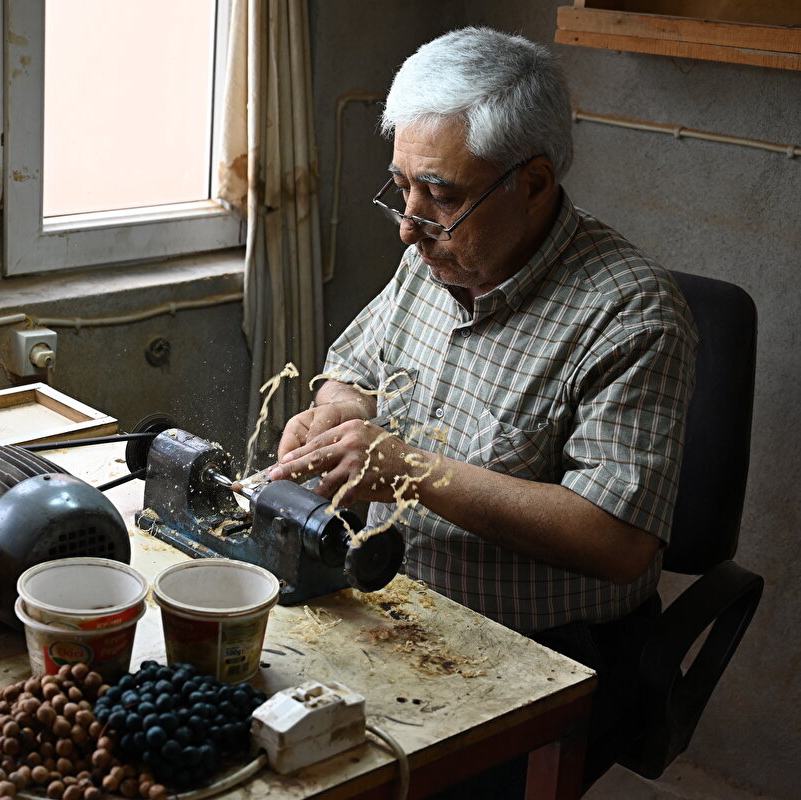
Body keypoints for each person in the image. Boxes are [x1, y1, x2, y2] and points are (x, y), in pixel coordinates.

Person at [267, 27, 699, 792]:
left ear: (532, 184)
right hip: (395, 603)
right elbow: (356, 367)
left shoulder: (632, 316)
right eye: (401, 186)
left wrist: (411, 472)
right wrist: (335, 408)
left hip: (541, 650)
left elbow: (618, 541)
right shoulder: (434, 257)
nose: (409, 224)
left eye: (442, 196)